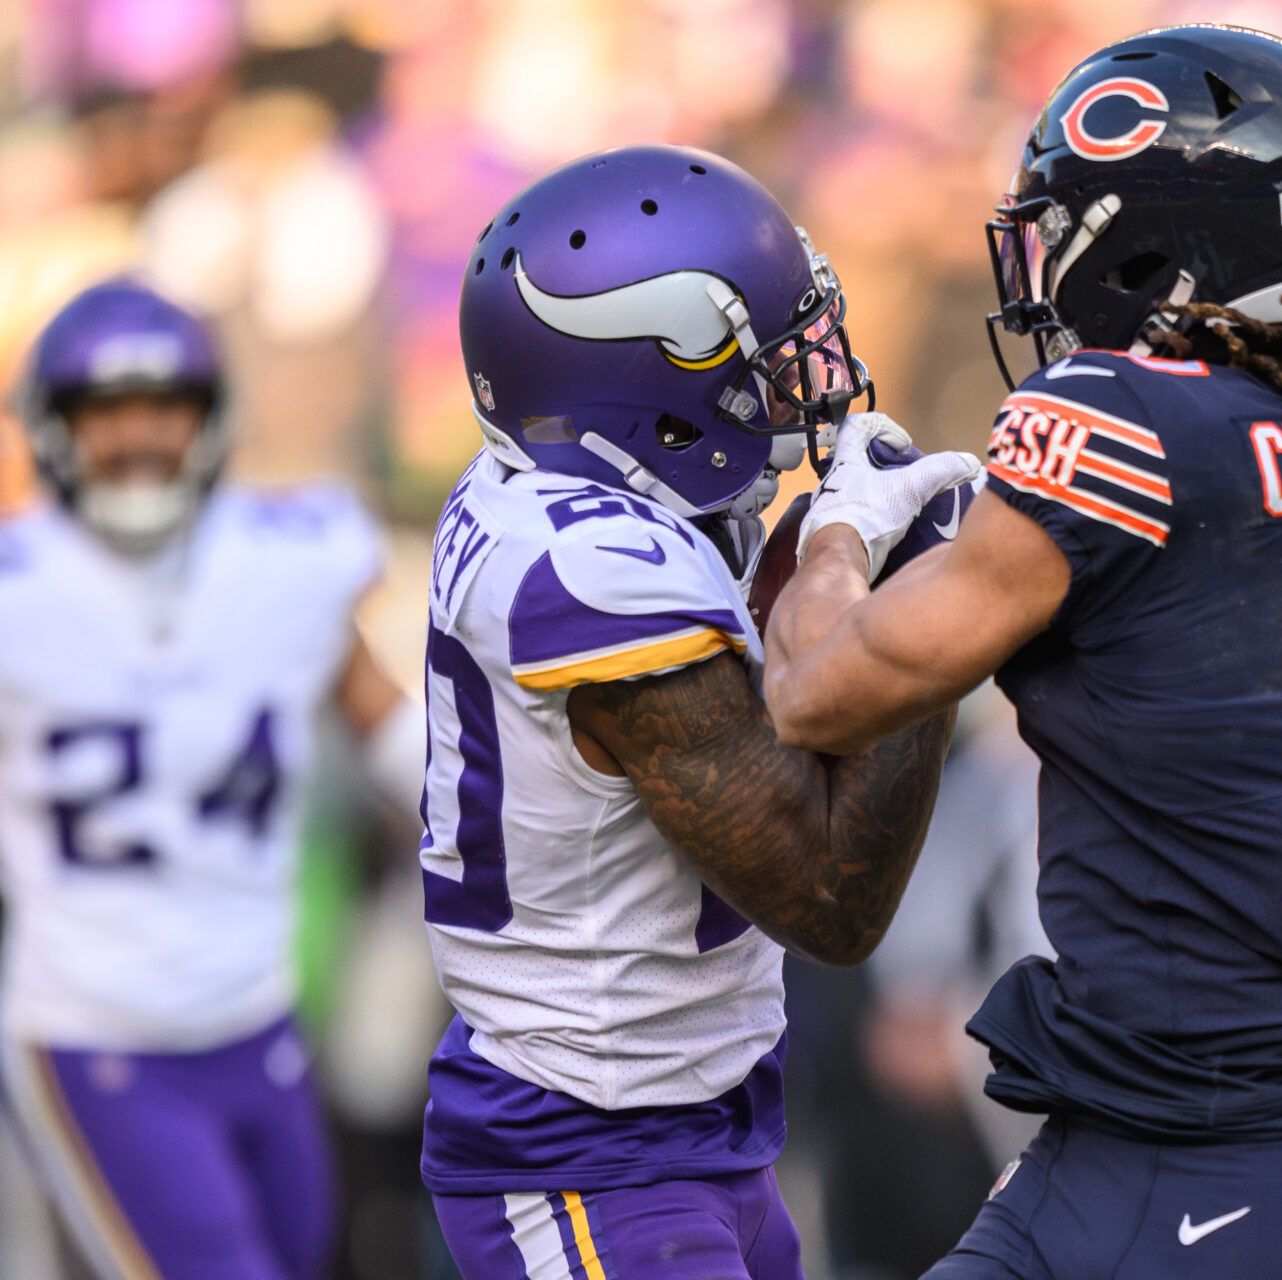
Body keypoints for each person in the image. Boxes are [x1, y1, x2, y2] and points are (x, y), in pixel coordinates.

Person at [764, 26, 1282, 1280]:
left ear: (1155, 238)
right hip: (1123, 1123)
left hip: (1274, 1144)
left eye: (1065, 226)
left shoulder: (1128, 423)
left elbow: (814, 693)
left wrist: (845, 517)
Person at [421, 144, 969, 1280]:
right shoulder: (595, 572)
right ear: (652, 382)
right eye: (761, 360)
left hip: (686, 1115)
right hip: (592, 1143)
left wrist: (821, 567)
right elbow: (829, 893)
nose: (797, 387)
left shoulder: (567, 487)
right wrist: (924, 605)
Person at [0, 279, 419, 1279]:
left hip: (261, 1018)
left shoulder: (290, 560)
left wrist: (524, 826)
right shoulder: (19, 586)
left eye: (163, 407)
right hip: (95, 1035)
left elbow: (404, 744)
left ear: (213, 417)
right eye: (105, 413)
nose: (137, 436)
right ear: (52, 430)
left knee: (303, 1255)